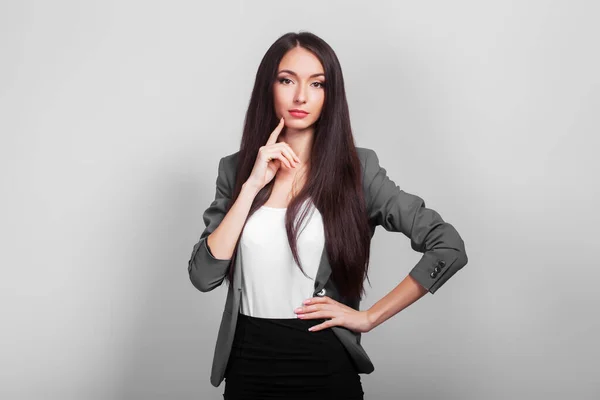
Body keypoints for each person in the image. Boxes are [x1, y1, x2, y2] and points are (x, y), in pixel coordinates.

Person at [188, 31, 469, 400]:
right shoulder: (235, 170)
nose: (301, 96)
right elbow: (203, 276)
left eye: (316, 84)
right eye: (287, 80)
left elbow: (448, 246)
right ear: (268, 88)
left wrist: (369, 317)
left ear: (329, 95)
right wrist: (252, 185)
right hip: (247, 364)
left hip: (323, 364)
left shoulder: (357, 169)